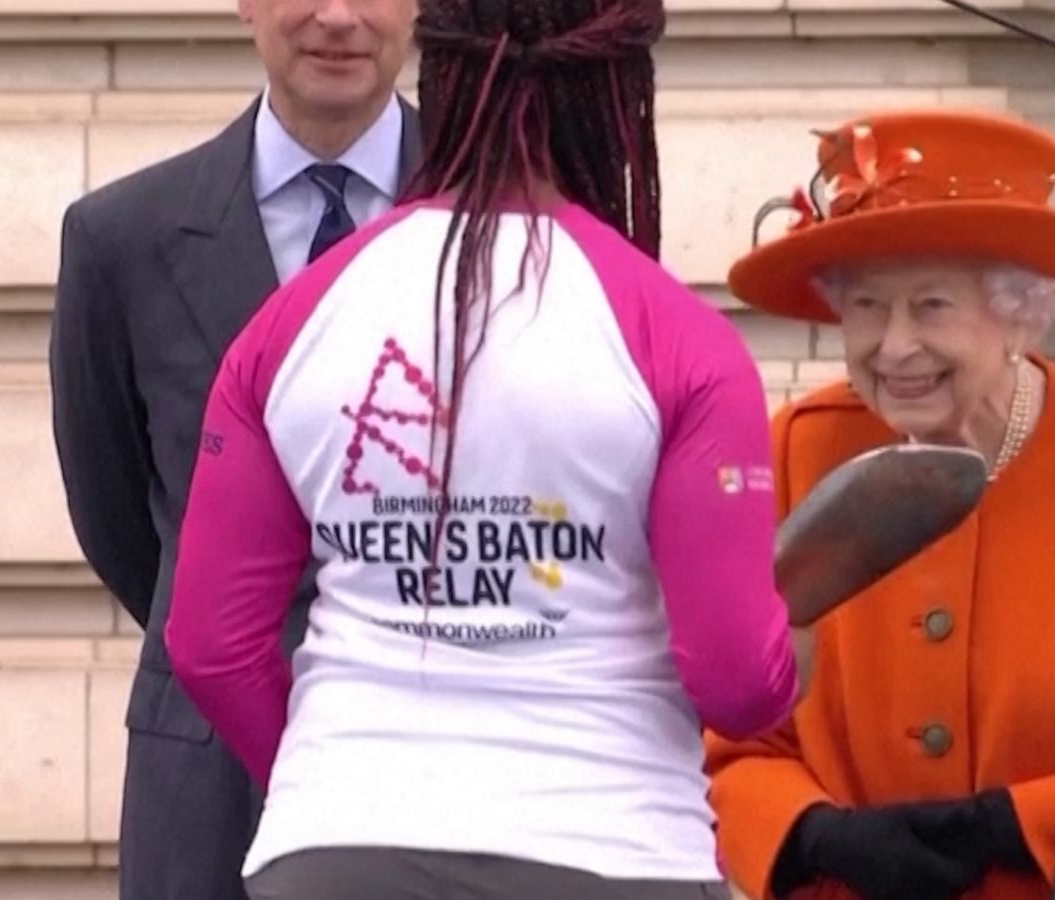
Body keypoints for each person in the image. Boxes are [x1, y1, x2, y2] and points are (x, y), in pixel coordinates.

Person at [162, 1, 800, 898]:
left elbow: (209, 644)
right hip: (607, 847)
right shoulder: (678, 338)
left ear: (440, 66)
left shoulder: (293, 322)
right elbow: (736, 677)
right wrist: (792, 645)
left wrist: (329, 785)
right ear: (620, 96)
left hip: (336, 849)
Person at [704, 110, 1055, 900]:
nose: (894, 345)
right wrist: (813, 836)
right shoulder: (800, 451)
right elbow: (731, 736)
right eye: (868, 306)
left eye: (932, 306)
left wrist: (1013, 828)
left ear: (1018, 311)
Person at [47, 1, 419, 897]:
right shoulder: (120, 239)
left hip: (443, 757)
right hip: (208, 785)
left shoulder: (518, 218)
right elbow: (121, 519)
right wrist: (229, 627)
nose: (338, 17)